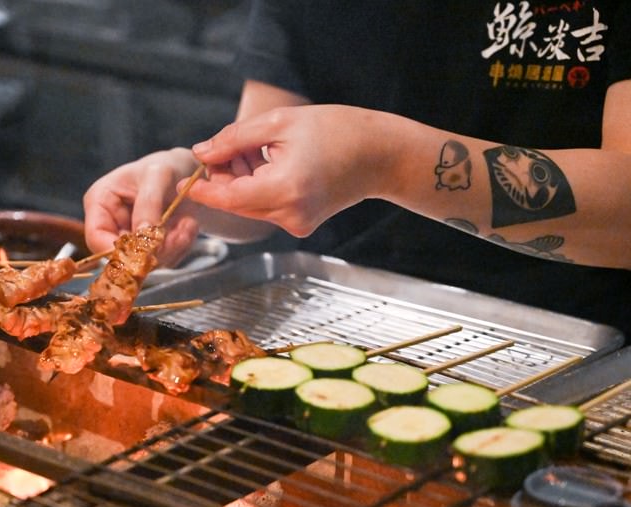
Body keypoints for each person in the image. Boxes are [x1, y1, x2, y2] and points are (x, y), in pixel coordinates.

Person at [83, 1, 631, 339]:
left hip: (571, 330)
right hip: (335, 310)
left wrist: (386, 159)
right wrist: (188, 183)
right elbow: (262, 169)